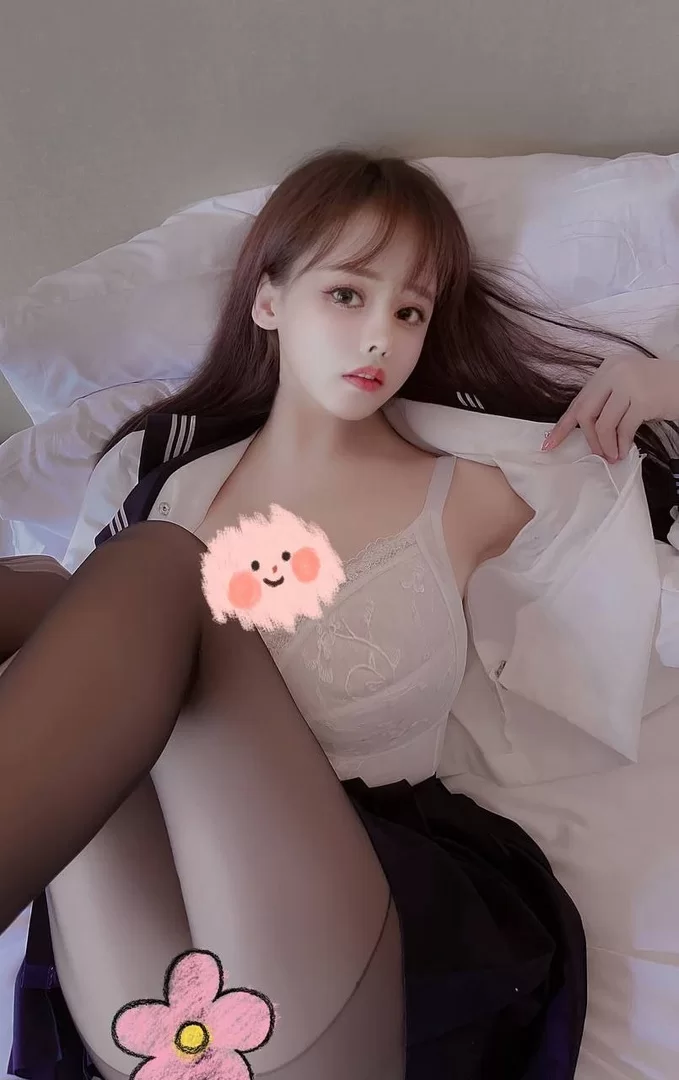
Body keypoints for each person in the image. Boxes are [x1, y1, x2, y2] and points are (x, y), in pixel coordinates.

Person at [2, 148, 679, 1080]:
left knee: (138, 576)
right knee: (86, 599)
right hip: (152, 910)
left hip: (358, 910)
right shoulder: (156, 481)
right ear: (267, 300)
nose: (379, 340)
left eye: (409, 312)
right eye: (348, 294)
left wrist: (667, 387)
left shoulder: (478, 491)